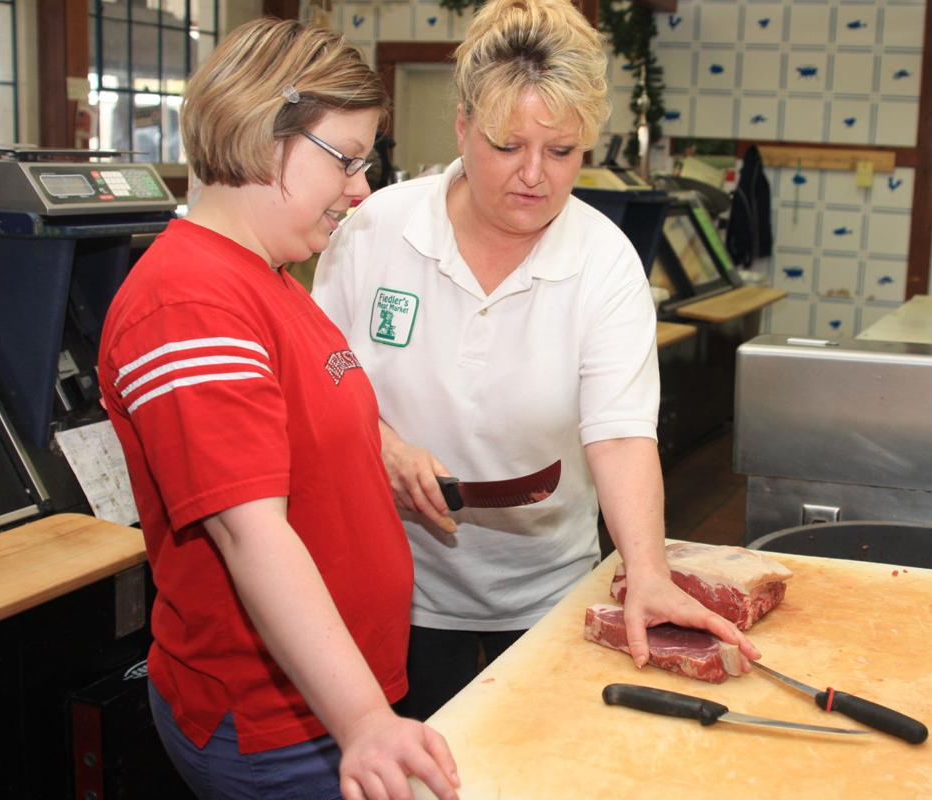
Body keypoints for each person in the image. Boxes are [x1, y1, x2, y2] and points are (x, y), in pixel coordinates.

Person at [312, 0, 759, 721]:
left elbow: (618, 433)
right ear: (462, 125)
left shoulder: (604, 262)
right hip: (393, 587)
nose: (534, 176)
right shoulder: (376, 230)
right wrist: (382, 446)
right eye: (507, 144)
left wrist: (647, 572)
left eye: (561, 152)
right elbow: (319, 381)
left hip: (545, 592)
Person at [97, 18, 459, 800]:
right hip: (276, 722)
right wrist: (363, 718)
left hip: (327, 700)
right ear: (267, 138)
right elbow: (248, 529)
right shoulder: (189, 302)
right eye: (348, 161)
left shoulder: (267, 275)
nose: (361, 189)